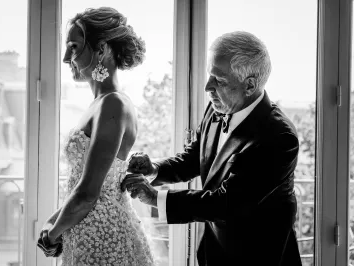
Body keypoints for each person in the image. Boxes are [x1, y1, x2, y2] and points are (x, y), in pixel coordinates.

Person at [122, 31, 302, 266]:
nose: (208, 87)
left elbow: (226, 203)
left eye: (220, 80)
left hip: (259, 257)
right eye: (210, 75)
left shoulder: (279, 138)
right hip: (214, 252)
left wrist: (155, 197)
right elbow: (194, 158)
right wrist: (154, 169)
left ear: (250, 84)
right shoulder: (217, 109)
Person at [37, 7, 155, 265]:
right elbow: (87, 186)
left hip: (103, 241)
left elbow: (89, 193)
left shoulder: (113, 105)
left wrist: (52, 235)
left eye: (74, 47)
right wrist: (54, 220)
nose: (67, 57)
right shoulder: (101, 103)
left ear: (101, 50)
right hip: (83, 231)